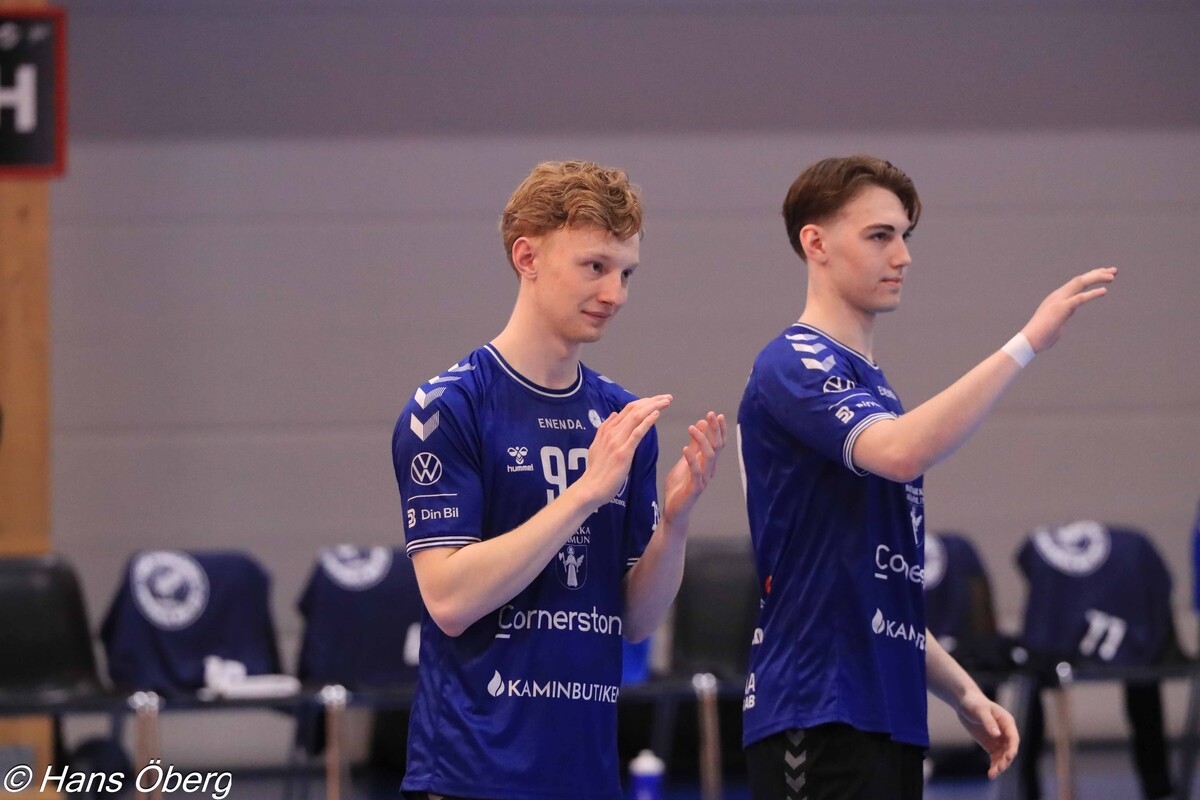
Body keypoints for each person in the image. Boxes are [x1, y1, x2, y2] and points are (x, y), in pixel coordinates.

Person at [736, 155, 1117, 799]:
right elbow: (903, 452)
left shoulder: (875, 389)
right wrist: (1026, 342)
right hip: (816, 709)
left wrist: (963, 692)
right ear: (816, 243)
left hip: (888, 710)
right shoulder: (793, 361)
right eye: (879, 235)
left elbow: (878, 593)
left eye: (905, 236)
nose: (903, 256)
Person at [391, 160, 726, 800]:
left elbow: (636, 620)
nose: (615, 293)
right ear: (528, 258)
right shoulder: (449, 408)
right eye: (595, 266)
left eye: (626, 273)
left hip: (587, 772)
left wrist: (675, 524)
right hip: (472, 775)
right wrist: (585, 494)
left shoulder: (622, 420)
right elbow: (450, 602)